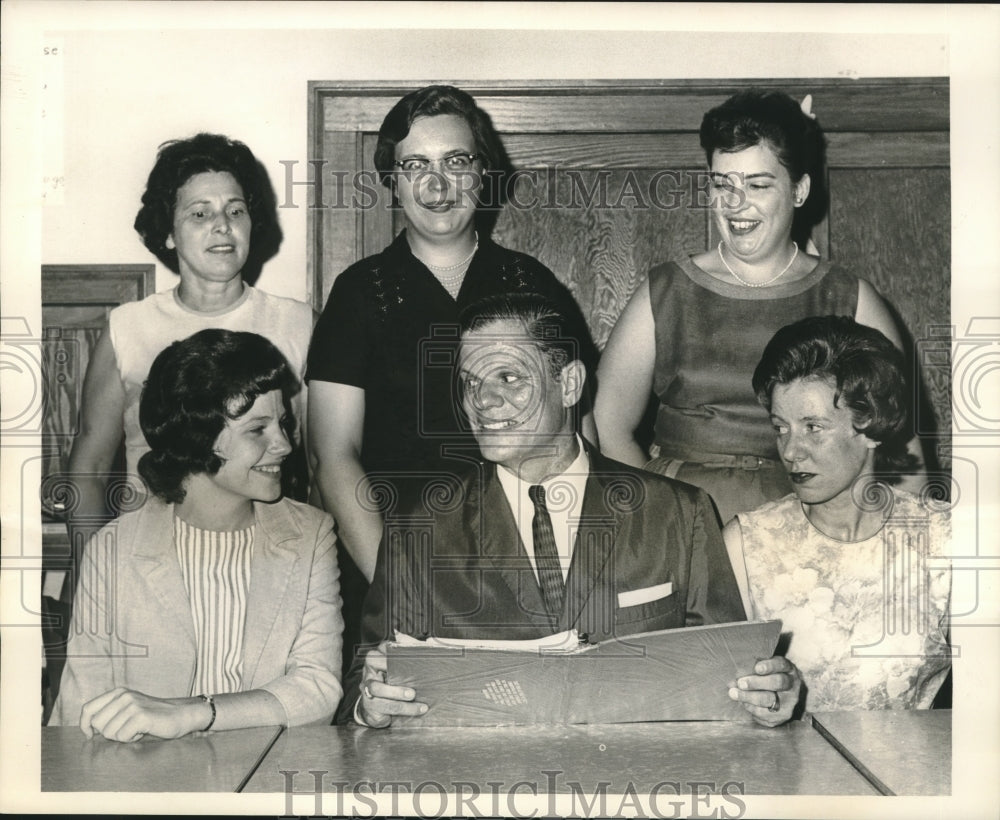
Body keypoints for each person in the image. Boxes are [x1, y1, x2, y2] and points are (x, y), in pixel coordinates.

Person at [343, 292, 800, 730]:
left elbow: (735, 684)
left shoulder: (679, 514)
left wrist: (769, 698)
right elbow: (361, 685)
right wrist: (371, 707)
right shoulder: (419, 527)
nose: (482, 401)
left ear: (570, 385)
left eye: (509, 377)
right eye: (470, 382)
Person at [305, 85, 595, 677]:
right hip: (396, 555)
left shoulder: (529, 280)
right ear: (392, 180)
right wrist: (399, 582)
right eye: (416, 166)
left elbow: (578, 430)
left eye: (457, 162)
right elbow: (332, 455)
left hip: (531, 557)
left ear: (483, 173)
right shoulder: (360, 293)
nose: (437, 186)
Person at [594, 89, 913, 527]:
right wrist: (655, 511)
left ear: (799, 190)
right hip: (681, 517)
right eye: (722, 183)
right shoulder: (665, 290)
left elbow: (900, 446)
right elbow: (607, 424)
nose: (734, 203)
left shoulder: (849, 296)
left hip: (810, 520)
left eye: (758, 185)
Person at [51, 330, 342, 740]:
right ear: (197, 437)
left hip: (267, 781)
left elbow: (317, 690)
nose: (284, 444)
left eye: (283, 423)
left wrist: (192, 713)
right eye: (257, 429)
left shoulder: (311, 535)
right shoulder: (113, 550)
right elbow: (81, 716)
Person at [65, 133, 314, 545]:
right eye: (200, 214)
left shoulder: (298, 323)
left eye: (236, 210)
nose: (222, 225)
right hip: (148, 558)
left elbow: (323, 463)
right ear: (168, 233)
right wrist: (90, 574)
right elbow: (88, 469)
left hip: (266, 553)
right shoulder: (128, 329)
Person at [723, 316, 951, 713]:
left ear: (871, 427)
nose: (791, 451)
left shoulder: (946, 538)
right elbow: (712, 705)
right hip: (783, 772)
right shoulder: (746, 544)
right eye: (781, 428)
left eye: (813, 427)